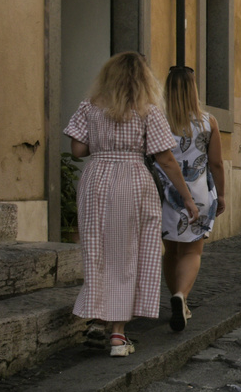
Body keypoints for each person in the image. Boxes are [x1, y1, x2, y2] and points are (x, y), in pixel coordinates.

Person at [66, 52, 198, 358]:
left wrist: (103, 142)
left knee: (97, 249)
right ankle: (117, 334)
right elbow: (165, 158)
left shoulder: (90, 106)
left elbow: (77, 149)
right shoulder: (148, 112)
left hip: (96, 178)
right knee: (127, 254)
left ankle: (98, 319)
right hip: (132, 179)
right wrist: (187, 198)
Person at [157, 66, 224, 332]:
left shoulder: (158, 120)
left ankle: (178, 299)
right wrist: (223, 195)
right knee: (193, 250)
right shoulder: (208, 122)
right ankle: (181, 297)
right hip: (197, 194)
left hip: (165, 194)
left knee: (171, 249)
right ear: (194, 90)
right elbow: (216, 163)